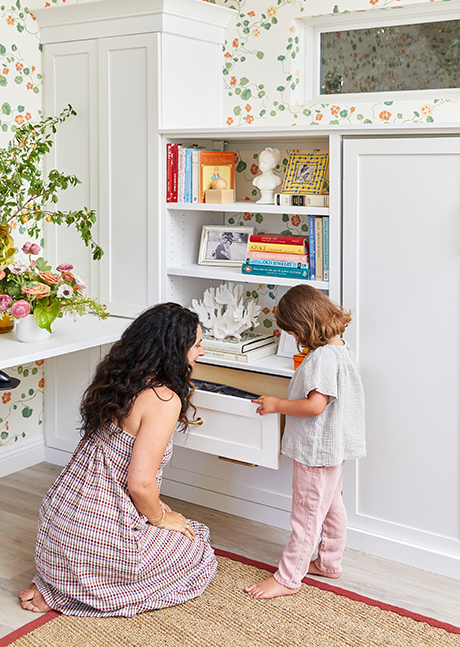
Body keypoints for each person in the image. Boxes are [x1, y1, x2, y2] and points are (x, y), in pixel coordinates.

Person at [19, 303, 217, 617]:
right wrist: (160, 519)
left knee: (167, 518)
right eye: (197, 345)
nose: (201, 352)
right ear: (174, 351)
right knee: (197, 546)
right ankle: (67, 593)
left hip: (57, 526)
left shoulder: (120, 381)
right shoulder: (163, 399)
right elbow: (139, 484)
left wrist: (155, 507)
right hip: (96, 536)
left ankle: (55, 582)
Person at [245, 285, 366, 600]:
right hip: (332, 447)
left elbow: (315, 406)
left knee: (307, 513)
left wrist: (276, 405)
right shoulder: (341, 347)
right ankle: (329, 562)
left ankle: (288, 578)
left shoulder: (322, 358)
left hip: (316, 450)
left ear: (303, 325)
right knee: (330, 505)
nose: (293, 338)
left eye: (292, 331)